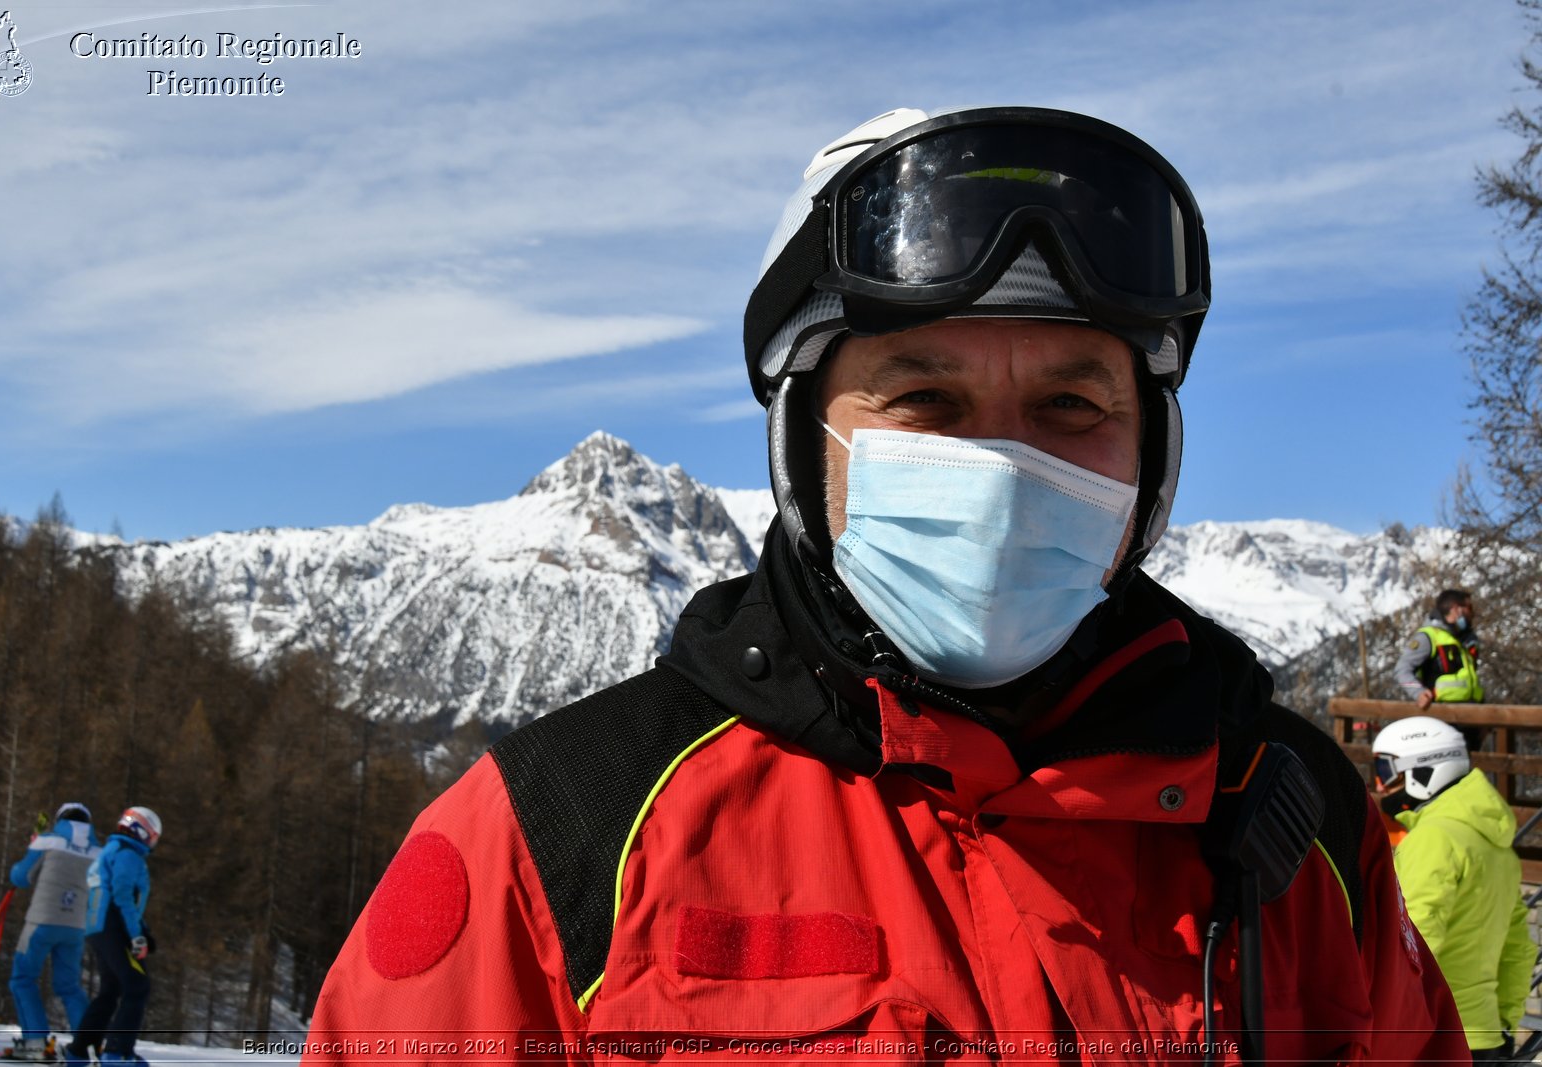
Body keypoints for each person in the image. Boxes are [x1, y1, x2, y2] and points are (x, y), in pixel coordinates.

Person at [307, 107, 1467, 1062]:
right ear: (807, 446)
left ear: (1148, 456)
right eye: (924, 402)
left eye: (1071, 406)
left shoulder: (1295, 825)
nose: (1008, 469)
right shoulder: (564, 834)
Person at [1372, 717, 1532, 1061]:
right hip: (1484, 1036)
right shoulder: (1497, 845)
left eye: (1386, 770)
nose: (1381, 786)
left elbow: (1413, 941)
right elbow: (1518, 948)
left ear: (1424, 772)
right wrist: (1502, 1023)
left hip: (1434, 1036)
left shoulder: (1434, 839)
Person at [64, 807, 161, 1067]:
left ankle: (79, 1051)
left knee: (111, 989)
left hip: (98, 925)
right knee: (137, 986)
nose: (152, 843)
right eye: (153, 836)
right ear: (141, 831)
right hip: (113, 925)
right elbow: (122, 895)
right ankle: (117, 1053)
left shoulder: (112, 850)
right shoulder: (129, 854)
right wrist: (136, 935)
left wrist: (143, 931)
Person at [7, 802, 99, 1061]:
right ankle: (87, 1047)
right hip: (76, 926)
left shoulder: (48, 841)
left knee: (23, 979)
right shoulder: (98, 851)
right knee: (69, 987)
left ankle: (36, 1046)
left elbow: (20, 877)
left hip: (41, 921)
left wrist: (31, 847)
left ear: (60, 819)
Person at [1395, 589, 1482, 710]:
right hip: (1442, 715)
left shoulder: (1464, 640)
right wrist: (1418, 693)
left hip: (1472, 714)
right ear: (1456, 609)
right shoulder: (1429, 637)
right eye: (1469, 608)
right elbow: (1402, 670)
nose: (1472, 614)